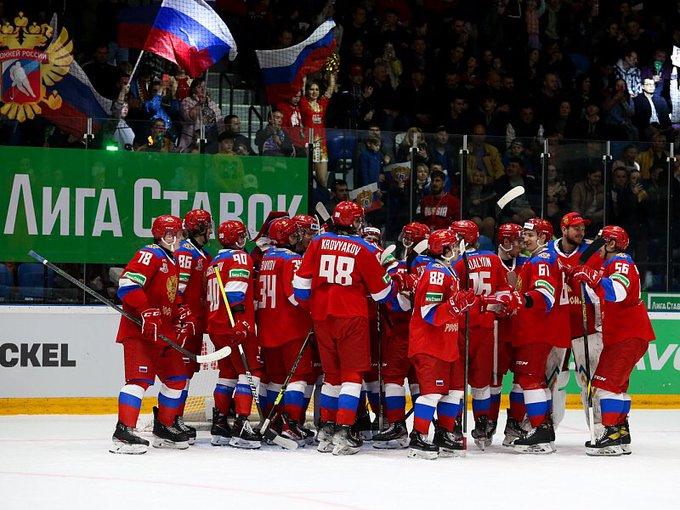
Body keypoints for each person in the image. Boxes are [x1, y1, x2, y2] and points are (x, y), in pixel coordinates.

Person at [293, 201, 396, 456]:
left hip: (321, 317)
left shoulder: (317, 242)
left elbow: (300, 287)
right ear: (355, 222)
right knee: (352, 375)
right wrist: (387, 272)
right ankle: (344, 429)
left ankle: (326, 430)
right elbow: (383, 293)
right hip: (351, 317)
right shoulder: (363, 248)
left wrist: (317, 304)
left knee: (331, 375)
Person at [571, 226, 655, 456]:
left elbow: (617, 292)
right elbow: (597, 293)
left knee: (605, 385)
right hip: (624, 335)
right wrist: (587, 276)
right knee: (616, 387)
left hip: (626, 335)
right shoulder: (609, 265)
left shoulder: (621, 262)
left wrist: (592, 276)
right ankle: (619, 432)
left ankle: (610, 435)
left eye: (600, 241)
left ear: (610, 243)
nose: (595, 245)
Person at [110, 215, 191, 454]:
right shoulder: (150, 254)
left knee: (177, 379)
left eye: (178, 234)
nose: (174, 238)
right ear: (158, 234)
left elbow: (169, 296)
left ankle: (164, 428)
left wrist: (180, 314)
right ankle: (124, 432)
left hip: (163, 334)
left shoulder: (173, 260)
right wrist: (145, 311)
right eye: (169, 234)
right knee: (139, 381)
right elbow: (127, 286)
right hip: (141, 332)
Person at [496, 217, 570, 454]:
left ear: (544, 237)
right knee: (532, 380)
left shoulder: (543, 260)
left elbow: (544, 295)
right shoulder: (538, 260)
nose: (524, 238)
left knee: (529, 380)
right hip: (535, 330)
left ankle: (541, 432)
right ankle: (542, 429)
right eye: (524, 234)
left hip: (537, 331)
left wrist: (521, 298)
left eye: (530, 235)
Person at [407, 228, 477, 459]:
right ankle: (418, 436)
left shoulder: (448, 271)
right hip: (430, 344)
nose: (457, 249)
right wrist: (455, 306)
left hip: (447, 343)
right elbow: (429, 313)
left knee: (455, 391)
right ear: (444, 249)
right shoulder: (436, 273)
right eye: (453, 246)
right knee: (432, 393)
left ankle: (445, 433)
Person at [451, 220, 511, 449]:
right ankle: (483, 426)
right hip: (487, 326)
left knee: (456, 382)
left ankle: (454, 425)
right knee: (481, 383)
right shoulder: (494, 259)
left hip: (461, 328)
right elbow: (503, 291)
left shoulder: (456, 263)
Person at [206, 220, 263, 449]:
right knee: (251, 372)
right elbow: (235, 293)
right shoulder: (239, 257)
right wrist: (241, 322)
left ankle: (220, 424)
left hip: (217, 328)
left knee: (228, 373)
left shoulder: (214, 262)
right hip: (235, 326)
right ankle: (241, 423)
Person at [256, 218, 314, 444]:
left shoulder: (266, 258)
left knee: (275, 379)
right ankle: (291, 424)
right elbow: (295, 296)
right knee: (297, 378)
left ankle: (275, 422)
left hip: (268, 328)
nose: (296, 239)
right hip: (291, 328)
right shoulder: (292, 259)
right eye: (293, 235)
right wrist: (315, 310)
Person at [547, 212, 604, 430]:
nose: (581, 232)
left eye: (582, 228)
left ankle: (599, 429)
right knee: (554, 380)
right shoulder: (548, 252)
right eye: (576, 228)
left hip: (585, 326)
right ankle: (548, 427)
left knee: (590, 381)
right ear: (564, 229)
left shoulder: (592, 252)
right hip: (557, 327)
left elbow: (600, 288)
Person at [173, 209, 213, 441]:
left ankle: (175, 417)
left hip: (196, 322)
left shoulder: (202, 254)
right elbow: (178, 289)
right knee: (180, 372)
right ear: (200, 228)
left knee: (186, 372)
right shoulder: (187, 253)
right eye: (207, 226)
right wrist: (182, 313)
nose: (210, 230)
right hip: (185, 323)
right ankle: (171, 418)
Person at [300, 75, 337, 187]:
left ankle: (320, 200)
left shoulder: (322, 104)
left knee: (322, 180)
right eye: (311, 89)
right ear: (307, 91)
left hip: (321, 144)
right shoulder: (304, 103)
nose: (314, 92)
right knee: (307, 178)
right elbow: (301, 91)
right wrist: (304, 79)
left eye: (317, 89)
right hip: (308, 143)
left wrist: (331, 77)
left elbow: (330, 90)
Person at [179, 78, 222, 152]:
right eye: (199, 87)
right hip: (192, 138)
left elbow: (218, 120)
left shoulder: (212, 103)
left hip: (210, 137)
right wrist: (199, 104)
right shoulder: (187, 100)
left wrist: (206, 104)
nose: (203, 89)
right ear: (193, 89)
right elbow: (189, 117)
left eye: (204, 87)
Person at [277, 90, 307, 157]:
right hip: (290, 143)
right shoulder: (284, 107)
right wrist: (289, 143)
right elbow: (283, 128)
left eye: (299, 97)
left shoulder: (299, 107)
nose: (297, 99)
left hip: (300, 142)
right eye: (295, 96)